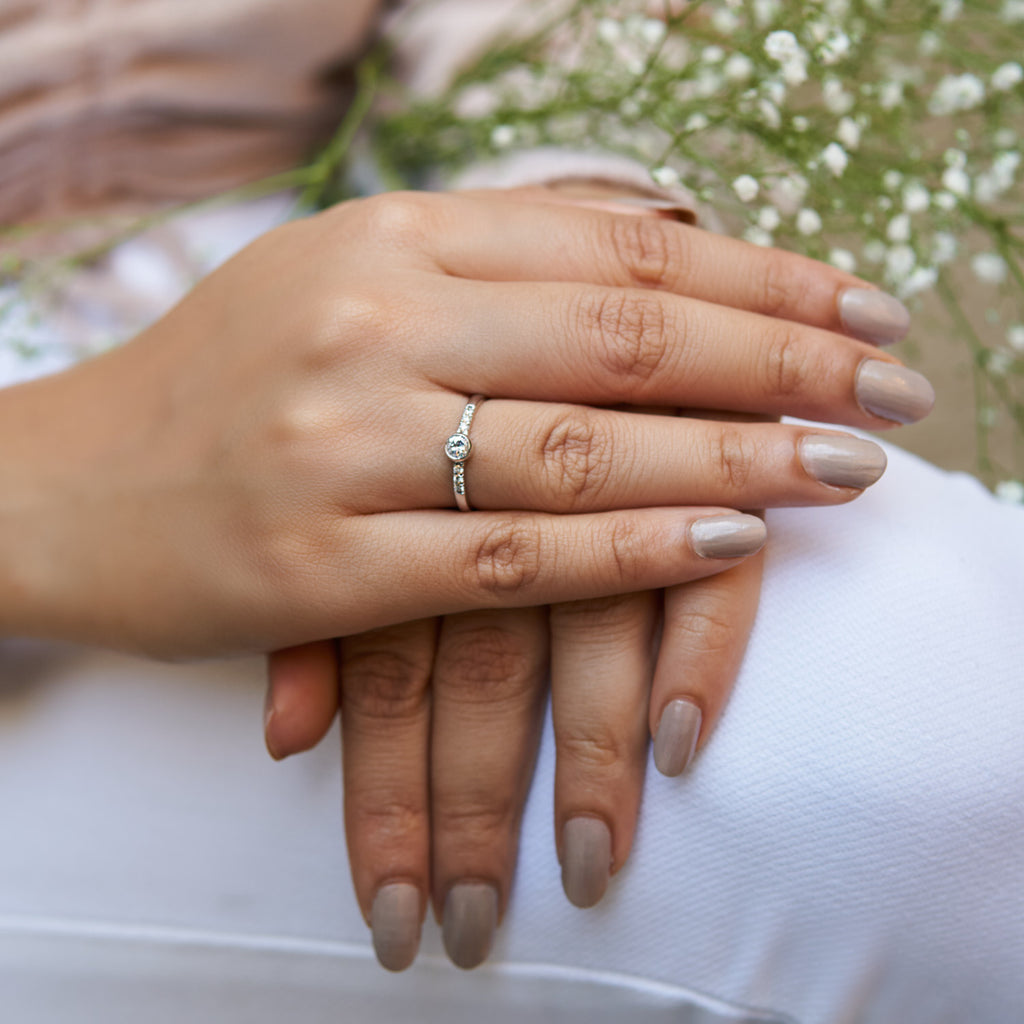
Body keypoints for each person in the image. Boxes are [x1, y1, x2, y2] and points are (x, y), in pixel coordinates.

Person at [1, 3, 1021, 1022]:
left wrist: (558, 243)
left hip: (331, 311)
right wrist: (53, 478)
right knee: (901, 807)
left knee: (969, 694)